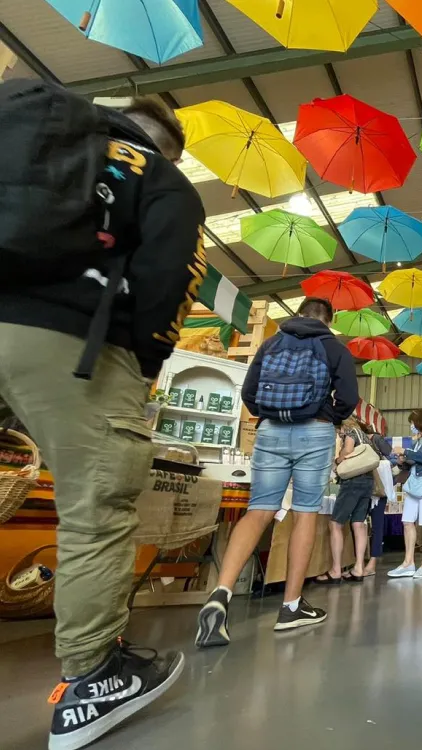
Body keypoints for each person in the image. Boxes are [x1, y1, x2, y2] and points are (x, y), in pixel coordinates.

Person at [0, 92, 205, 749]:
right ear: (168, 146)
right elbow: (167, 278)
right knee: (96, 500)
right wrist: (140, 363)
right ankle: (91, 677)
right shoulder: (160, 177)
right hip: (69, 341)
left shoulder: (39, 144)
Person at [196, 297, 359, 647]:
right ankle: (291, 607)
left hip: (270, 431)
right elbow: (347, 397)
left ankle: (220, 594)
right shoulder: (334, 348)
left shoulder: (271, 342)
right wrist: (325, 415)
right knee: (304, 515)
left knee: (259, 511)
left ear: (297, 313)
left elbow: (249, 393)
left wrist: (272, 414)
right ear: (330, 319)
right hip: (314, 432)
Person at [315, 417, 373, 584]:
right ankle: (359, 568)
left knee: (335, 524)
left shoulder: (349, 433)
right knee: (358, 523)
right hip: (367, 482)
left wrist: (337, 461)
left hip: (352, 481)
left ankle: (335, 570)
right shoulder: (364, 435)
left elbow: (347, 452)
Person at [388, 409, 422, 579]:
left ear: (420, 422)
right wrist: (403, 460)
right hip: (414, 484)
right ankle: (408, 563)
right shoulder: (418, 440)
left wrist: (405, 451)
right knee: (407, 521)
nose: (411, 426)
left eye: (412, 423)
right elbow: (416, 460)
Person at [365, 424, 395, 577]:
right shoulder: (367, 439)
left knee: (375, 525)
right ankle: (365, 561)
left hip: (376, 486)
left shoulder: (376, 439)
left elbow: (393, 457)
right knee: (370, 525)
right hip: (368, 485)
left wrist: (382, 465)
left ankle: (372, 562)